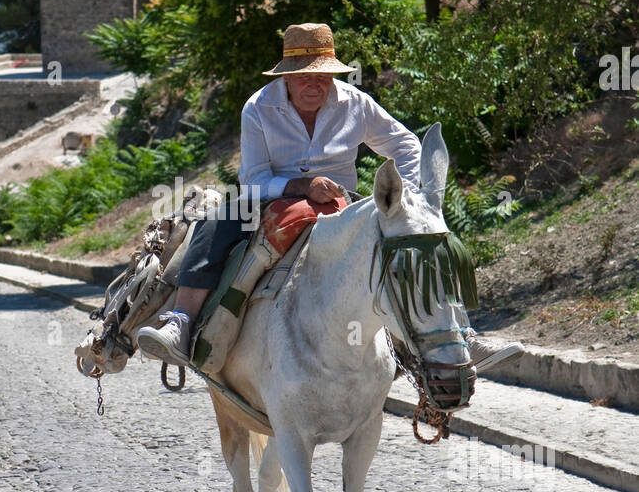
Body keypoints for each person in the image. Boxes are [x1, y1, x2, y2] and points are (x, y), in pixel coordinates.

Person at [137, 23, 522, 373]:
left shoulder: (355, 102)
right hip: (269, 201)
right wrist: (300, 187)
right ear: (286, 76)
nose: (315, 84)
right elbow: (252, 178)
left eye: (324, 75)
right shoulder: (258, 108)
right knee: (217, 220)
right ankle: (181, 322)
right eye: (306, 76)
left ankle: (460, 332)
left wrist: (411, 195)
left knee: (419, 237)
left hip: (343, 204)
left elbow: (405, 144)